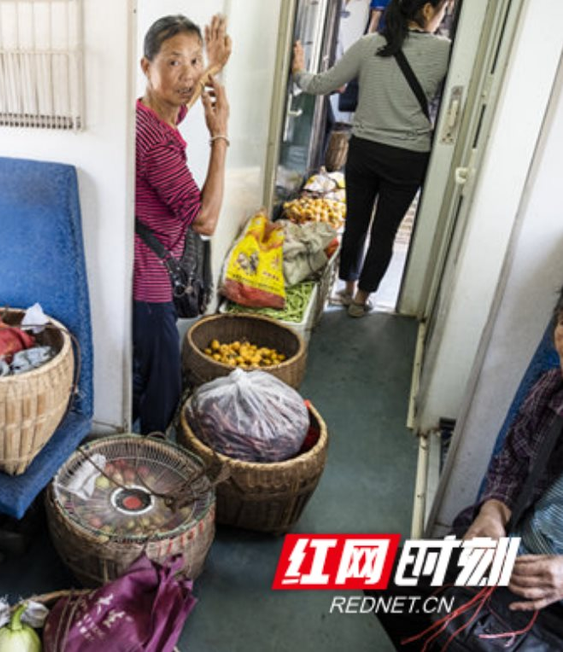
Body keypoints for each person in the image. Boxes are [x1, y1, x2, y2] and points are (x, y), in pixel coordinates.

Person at [372, 288, 563, 649]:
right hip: (512, 557)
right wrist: (493, 512)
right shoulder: (550, 391)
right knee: (388, 576)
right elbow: (512, 465)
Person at [292, 0, 451, 317]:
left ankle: (347, 288)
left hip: (365, 151)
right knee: (385, 232)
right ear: (427, 10)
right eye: (443, 10)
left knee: (356, 224)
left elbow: (326, 83)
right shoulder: (446, 51)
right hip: (408, 158)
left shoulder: (369, 44)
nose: (443, 17)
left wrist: (298, 72)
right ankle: (362, 300)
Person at [134, 14, 230, 434]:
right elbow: (206, 221)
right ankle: (153, 458)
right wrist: (220, 135)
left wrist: (213, 65)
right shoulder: (157, 146)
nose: (188, 74)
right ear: (146, 66)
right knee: (163, 388)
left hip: (143, 274)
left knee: (148, 375)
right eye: (174, 62)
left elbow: (181, 101)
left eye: (195, 61)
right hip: (152, 288)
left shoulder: (145, 114)